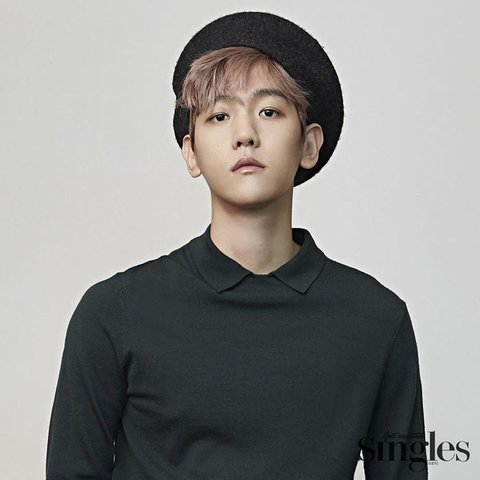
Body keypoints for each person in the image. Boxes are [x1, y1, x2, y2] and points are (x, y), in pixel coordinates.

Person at [46, 11, 428, 479]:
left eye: (269, 111)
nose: (245, 134)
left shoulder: (377, 320)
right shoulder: (113, 314)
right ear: (191, 152)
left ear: (309, 145)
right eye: (220, 115)